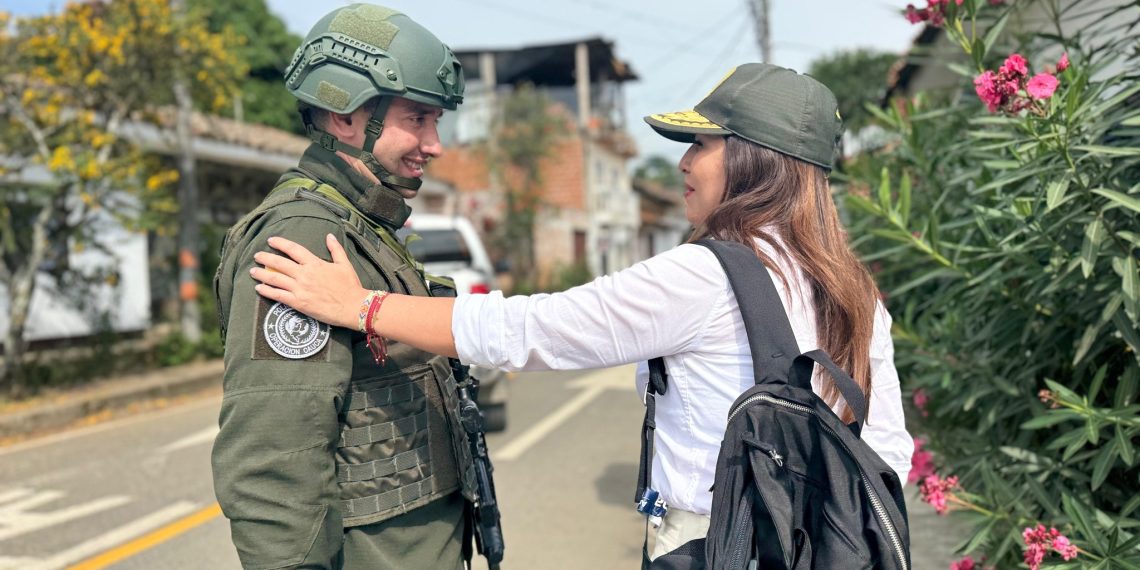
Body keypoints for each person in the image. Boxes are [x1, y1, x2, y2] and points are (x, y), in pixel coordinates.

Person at [248, 62, 915, 559]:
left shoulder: (704, 274)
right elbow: (888, 450)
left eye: (702, 145)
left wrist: (360, 305)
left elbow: (530, 332)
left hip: (716, 543)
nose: (683, 163)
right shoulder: (851, 286)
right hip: (827, 544)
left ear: (753, 160)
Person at [210, 4, 478, 569]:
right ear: (344, 116)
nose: (435, 145)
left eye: (437, 123)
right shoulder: (304, 237)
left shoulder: (364, 229)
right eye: (417, 119)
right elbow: (273, 457)